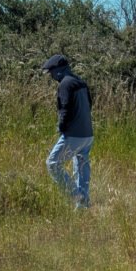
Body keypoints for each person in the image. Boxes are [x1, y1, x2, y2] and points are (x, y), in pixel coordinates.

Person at [41, 54, 94, 209]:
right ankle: (82, 206)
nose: (51, 76)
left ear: (59, 71)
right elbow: (90, 104)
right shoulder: (81, 82)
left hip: (73, 134)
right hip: (88, 134)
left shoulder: (65, 84)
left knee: (53, 163)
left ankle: (78, 195)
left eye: (51, 72)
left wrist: (62, 128)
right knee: (81, 165)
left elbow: (65, 108)